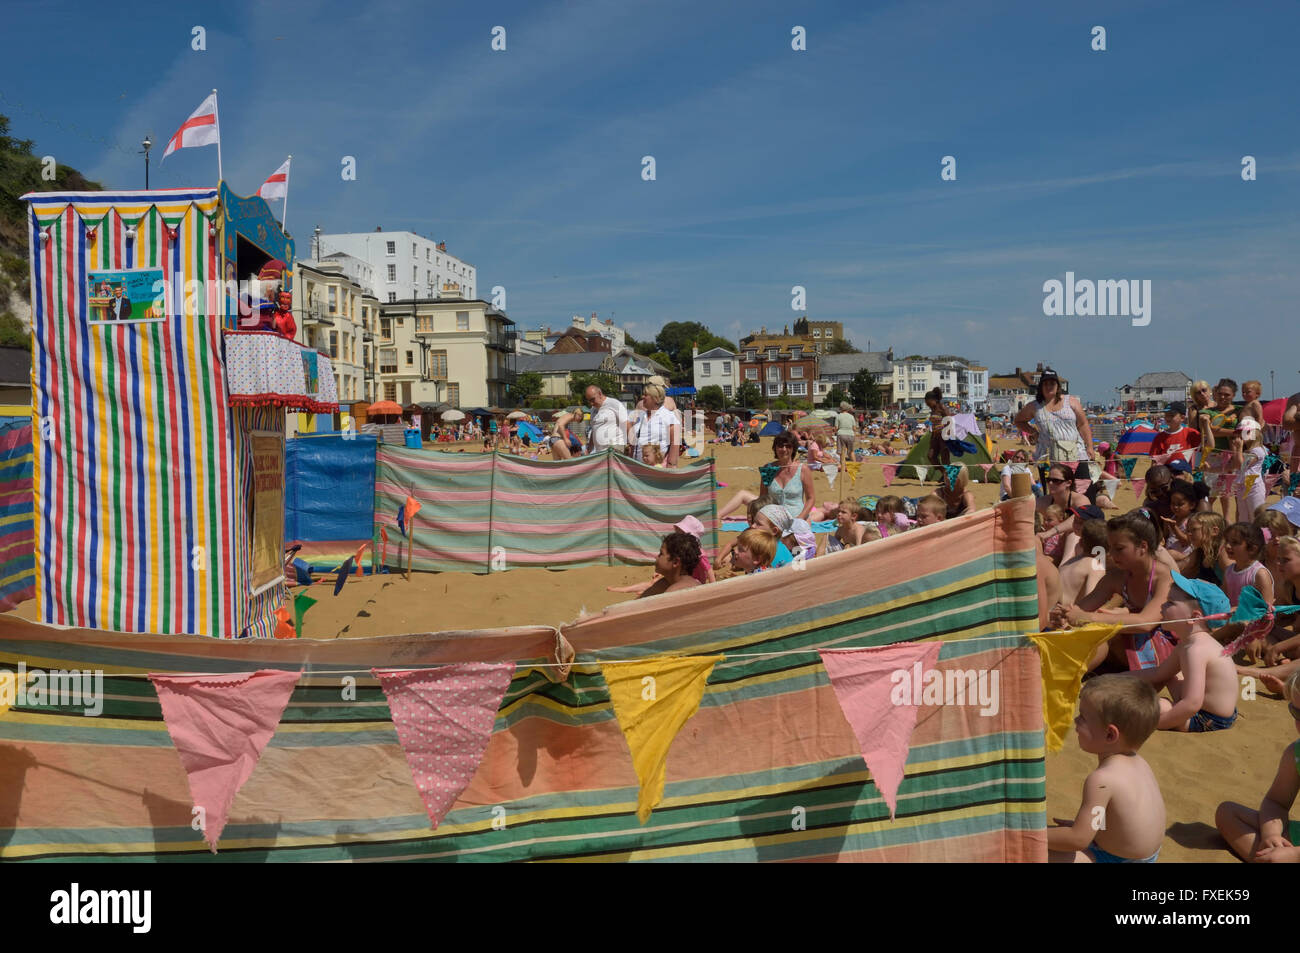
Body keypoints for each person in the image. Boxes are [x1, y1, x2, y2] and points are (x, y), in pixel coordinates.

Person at [1048, 675, 1165, 863]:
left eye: (1083, 717)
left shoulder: (1102, 780)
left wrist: (1029, 834)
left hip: (1116, 859)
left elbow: (1078, 839)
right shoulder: (1140, 763)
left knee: (1032, 851)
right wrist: (1090, 828)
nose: (1076, 721)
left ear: (1110, 734)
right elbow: (1117, 816)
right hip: (1145, 857)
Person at [1052, 511, 1175, 671]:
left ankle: (1068, 676)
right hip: (1130, 644)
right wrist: (1063, 615)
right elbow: (1082, 608)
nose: (1111, 554)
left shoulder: (1164, 577)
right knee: (1091, 631)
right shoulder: (1116, 577)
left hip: (1165, 650)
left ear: (1143, 547)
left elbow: (1145, 623)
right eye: (1110, 548)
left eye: (1119, 548)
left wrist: (1089, 617)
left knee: (1101, 634)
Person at [1131, 572, 1238, 732]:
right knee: (1169, 676)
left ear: (1194, 618)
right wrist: (1111, 679)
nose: (1162, 606)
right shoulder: (1190, 643)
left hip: (1209, 718)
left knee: (1154, 708)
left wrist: (1160, 722)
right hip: (1203, 706)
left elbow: (1192, 704)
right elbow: (1160, 673)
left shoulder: (1196, 650)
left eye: (1170, 602)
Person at [1214, 671, 1300, 862]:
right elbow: (1276, 802)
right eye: (1296, 713)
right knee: (1228, 813)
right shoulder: (1295, 754)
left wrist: (1294, 855)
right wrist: (1271, 836)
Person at [1014, 367, 1096, 486]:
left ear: (1058, 386)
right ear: (1041, 387)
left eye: (1052, 383)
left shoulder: (1071, 401)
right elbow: (1019, 421)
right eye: (1045, 384)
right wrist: (1034, 432)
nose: (1049, 386)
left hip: (1077, 453)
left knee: (1084, 490)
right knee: (1055, 494)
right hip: (1048, 456)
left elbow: (1083, 424)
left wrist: (1090, 447)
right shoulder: (1034, 406)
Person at [717, 430, 816, 522]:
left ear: (793, 448)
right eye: (780, 446)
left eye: (788, 446)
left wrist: (801, 518)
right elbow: (763, 498)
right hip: (774, 518)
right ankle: (717, 516)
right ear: (775, 448)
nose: (784, 449)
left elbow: (811, 498)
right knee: (743, 495)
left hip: (798, 518)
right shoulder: (768, 469)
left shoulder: (802, 469)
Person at [1207, 379, 1240, 519]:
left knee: (1228, 494)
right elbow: (1211, 431)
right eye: (1220, 394)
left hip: (1234, 456)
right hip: (1214, 456)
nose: (1223, 397)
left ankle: (1227, 521)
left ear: (1233, 395)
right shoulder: (1208, 411)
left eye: (1227, 395)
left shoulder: (1239, 410)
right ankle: (1208, 519)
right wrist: (1233, 432)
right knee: (1210, 493)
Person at [637, 531, 704, 599]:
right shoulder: (665, 583)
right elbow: (639, 601)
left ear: (675, 562)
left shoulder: (675, 591)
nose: (656, 557)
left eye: (661, 553)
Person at [1058, 518, 1108, 604]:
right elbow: (1091, 601)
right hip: (1065, 613)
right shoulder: (1096, 567)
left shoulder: (1070, 562)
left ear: (1080, 542)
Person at [629, 383, 680, 467]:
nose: (642, 397)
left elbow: (675, 443)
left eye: (646, 395)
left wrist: (671, 466)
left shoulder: (668, 416)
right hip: (637, 467)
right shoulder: (641, 416)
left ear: (656, 398)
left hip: (658, 469)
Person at [1231, 417, 1267, 522]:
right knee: (1243, 517)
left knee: (1256, 516)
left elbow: (1241, 465)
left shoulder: (1258, 450)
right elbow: (1236, 465)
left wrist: (1238, 448)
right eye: (1240, 432)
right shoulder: (1248, 450)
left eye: (1246, 432)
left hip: (1254, 486)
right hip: (1243, 486)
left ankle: (1261, 537)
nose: (1242, 435)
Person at [1148, 401, 1200, 467]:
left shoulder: (1191, 433)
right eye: (1166, 415)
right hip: (1167, 474)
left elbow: (1201, 452)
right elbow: (1154, 461)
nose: (1168, 418)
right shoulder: (1159, 437)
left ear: (1182, 418)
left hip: (1187, 474)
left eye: (1172, 415)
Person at [585, 385, 627, 455]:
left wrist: (630, 446)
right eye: (589, 400)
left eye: (592, 399)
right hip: (599, 451)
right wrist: (589, 448)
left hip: (614, 448)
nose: (591, 403)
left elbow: (627, 424)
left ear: (600, 394)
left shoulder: (614, 403)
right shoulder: (593, 410)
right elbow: (594, 430)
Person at [923, 388, 951, 468]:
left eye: (928, 403)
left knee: (945, 459)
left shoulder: (942, 408)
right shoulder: (933, 409)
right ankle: (943, 473)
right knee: (931, 456)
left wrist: (947, 436)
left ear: (934, 400)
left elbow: (950, 421)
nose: (928, 405)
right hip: (935, 436)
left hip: (944, 436)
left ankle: (949, 478)